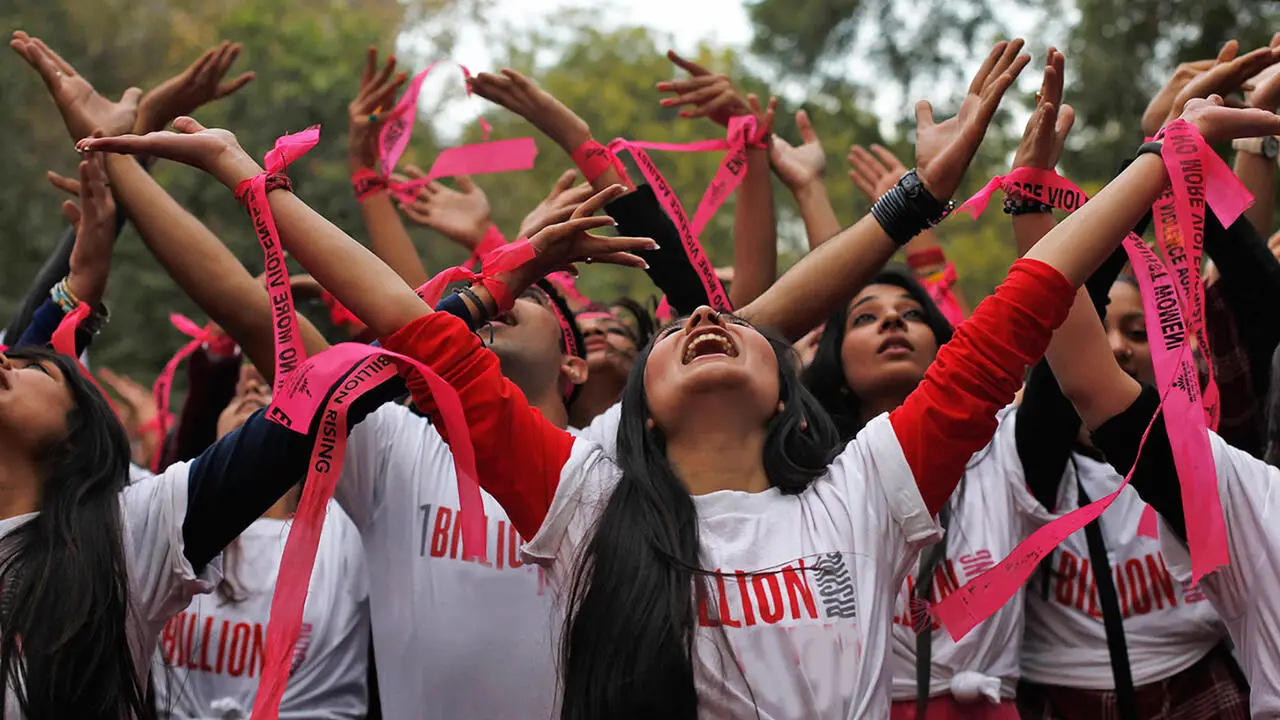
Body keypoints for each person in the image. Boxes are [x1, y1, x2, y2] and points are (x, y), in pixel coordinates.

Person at [152, 366, 370, 719]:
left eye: (273, 388)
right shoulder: (171, 522)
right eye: (237, 396)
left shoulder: (347, 532)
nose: (252, 390)